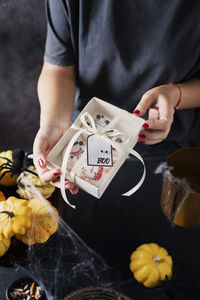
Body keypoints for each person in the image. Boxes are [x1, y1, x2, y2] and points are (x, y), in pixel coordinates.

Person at [33, 0, 200, 193]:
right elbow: (58, 68)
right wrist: (54, 124)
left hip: (176, 152)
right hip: (83, 143)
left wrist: (176, 95)